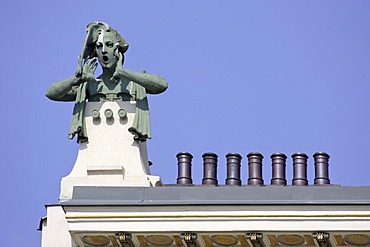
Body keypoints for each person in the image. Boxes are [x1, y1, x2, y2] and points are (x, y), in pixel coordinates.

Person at [46, 21, 168, 143]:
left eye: (109, 45)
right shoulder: (90, 85)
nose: (104, 50)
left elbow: (162, 85)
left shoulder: (133, 83)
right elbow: (51, 93)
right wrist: (77, 79)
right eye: (99, 47)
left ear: (118, 51)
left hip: (128, 143)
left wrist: (124, 72)